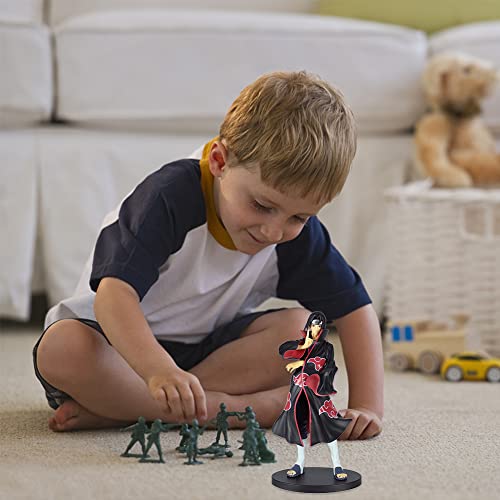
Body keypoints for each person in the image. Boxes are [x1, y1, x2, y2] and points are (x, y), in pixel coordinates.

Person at [33, 71, 383, 441]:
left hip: (206, 355)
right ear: (219, 161)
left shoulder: (292, 234)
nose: (273, 232)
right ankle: (230, 410)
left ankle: (131, 410)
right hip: (116, 347)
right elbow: (113, 296)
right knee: (62, 349)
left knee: (304, 332)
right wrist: (157, 371)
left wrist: (367, 406)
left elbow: (355, 309)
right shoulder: (169, 197)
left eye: (298, 218)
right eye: (261, 205)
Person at [272, 311, 350, 480]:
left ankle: (337, 465)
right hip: (298, 391)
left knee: (327, 425)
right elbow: (283, 350)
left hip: (315, 391)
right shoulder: (301, 343)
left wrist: (303, 363)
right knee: (298, 425)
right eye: (313, 324)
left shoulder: (327, 348)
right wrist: (303, 346)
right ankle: (299, 463)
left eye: (319, 326)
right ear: (308, 326)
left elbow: (326, 365)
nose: (316, 328)